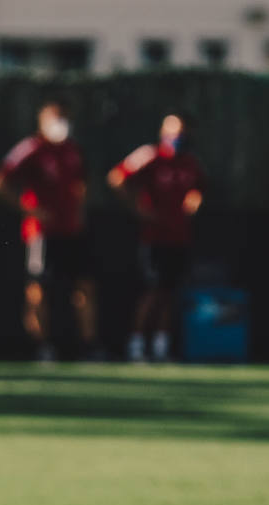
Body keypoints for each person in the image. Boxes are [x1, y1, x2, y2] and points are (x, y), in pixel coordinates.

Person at [0, 100, 100, 361]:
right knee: (38, 289)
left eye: (64, 117)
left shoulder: (73, 150)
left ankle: (89, 346)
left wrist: (79, 208)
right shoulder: (31, 149)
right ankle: (42, 347)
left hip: (73, 231)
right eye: (54, 118)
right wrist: (30, 211)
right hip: (42, 233)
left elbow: (83, 183)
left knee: (84, 287)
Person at [108, 112, 205, 363]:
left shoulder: (190, 163)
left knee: (170, 292)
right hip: (155, 236)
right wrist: (138, 208)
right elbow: (117, 177)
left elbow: (198, 189)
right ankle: (137, 345)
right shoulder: (150, 155)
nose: (177, 137)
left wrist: (194, 201)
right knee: (153, 290)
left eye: (182, 132)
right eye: (173, 131)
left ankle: (161, 346)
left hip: (180, 235)